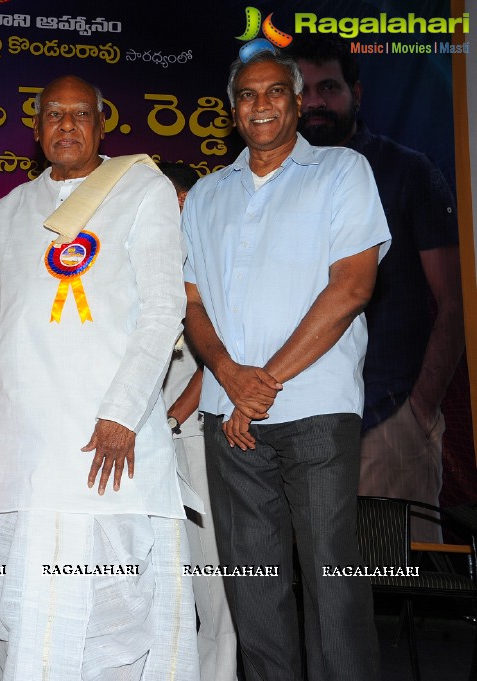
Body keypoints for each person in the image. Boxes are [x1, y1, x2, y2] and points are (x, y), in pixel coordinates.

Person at [0, 75, 198, 680]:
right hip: (27, 453)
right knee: (27, 625)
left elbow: (166, 310)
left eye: (80, 114)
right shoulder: (12, 208)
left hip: (108, 444)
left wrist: (122, 413)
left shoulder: (142, 187)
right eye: (53, 114)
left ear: (101, 125)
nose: (66, 125)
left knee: (117, 626)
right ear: (35, 129)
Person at [181, 51, 388, 681]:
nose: (261, 105)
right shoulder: (207, 195)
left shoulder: (342, 171)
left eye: (275, 92)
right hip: (228, 422)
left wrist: (257, 384)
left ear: (298, 103)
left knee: (334, 586)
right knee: (255, 593)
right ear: (232, 109)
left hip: (316, 413)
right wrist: (230, 379)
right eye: (247, 95)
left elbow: (352, 286)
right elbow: (189, 304)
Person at [286, 36, 463, 541]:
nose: (316, 102)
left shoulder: (407, 173)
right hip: (291, 418)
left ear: (355, 95)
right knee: (304, 589)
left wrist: (420, 407)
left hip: (386, 415)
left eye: (329, 88)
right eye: (303, 90)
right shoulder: (267, 180)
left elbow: (455, 301)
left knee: (391, 588)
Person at [158, 160, 237, 681]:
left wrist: (173, 417)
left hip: (189, 436)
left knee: (212, 581)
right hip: (134, 442)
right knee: (154, 582)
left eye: (173, 203)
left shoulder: (213, 263)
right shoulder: (138, 261)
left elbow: (225, 355)